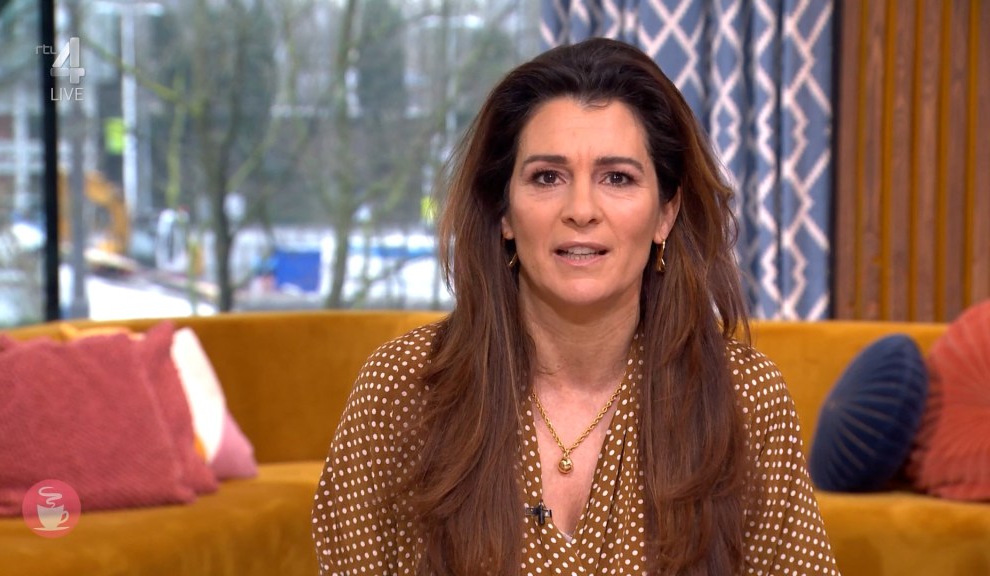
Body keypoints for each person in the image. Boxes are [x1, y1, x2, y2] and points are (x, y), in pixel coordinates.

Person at [312, 37, 839, 576]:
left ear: (665, 213)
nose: (581, 210)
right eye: (547, 177)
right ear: (505, 212)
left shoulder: (745, 397)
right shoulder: (402, 389)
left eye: (617, 178)